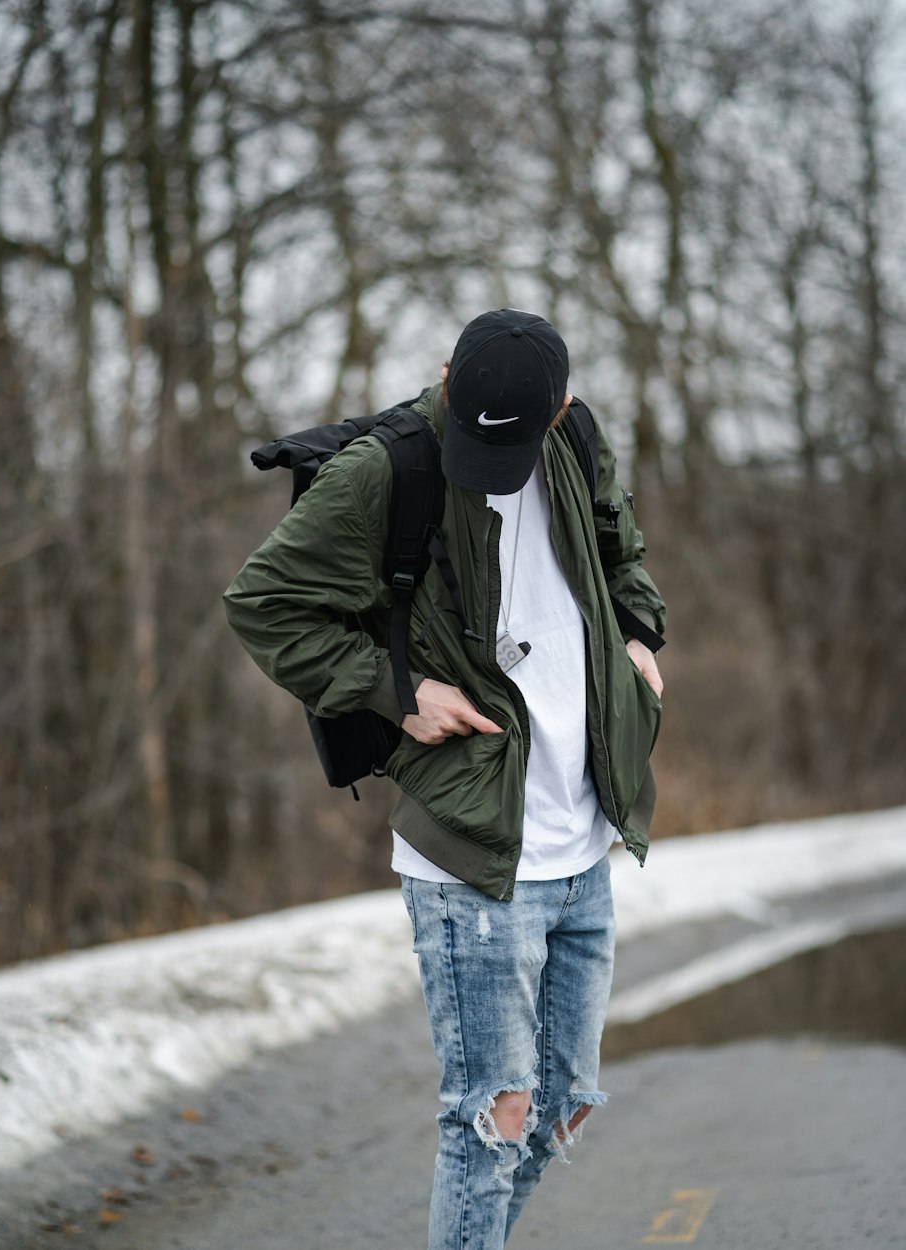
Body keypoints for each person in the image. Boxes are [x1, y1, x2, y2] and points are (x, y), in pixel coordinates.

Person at [223, 308, 666, 1249]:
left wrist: (638, 633)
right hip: (472, 857)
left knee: (557, 1113)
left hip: (582, 840)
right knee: (489, 1120)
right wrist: (396, 691)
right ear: (443, 377)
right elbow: (265, 604)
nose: (480, 460)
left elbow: (623, 556)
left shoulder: (576, 443)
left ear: (562, 409)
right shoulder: (389, 469)